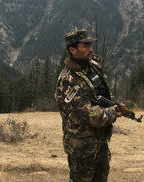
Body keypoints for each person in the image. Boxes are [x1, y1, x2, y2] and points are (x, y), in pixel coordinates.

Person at [54, 29, 121, 182]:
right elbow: (87, 115)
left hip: (100, 141)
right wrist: (113, 112)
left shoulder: (92, 66)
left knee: (101, 177)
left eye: (90, 45)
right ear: (72, 50)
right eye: (85, 46)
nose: (91, 49)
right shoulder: (67, 80)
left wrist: (115, 103)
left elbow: (102, 94)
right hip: (82, 147)